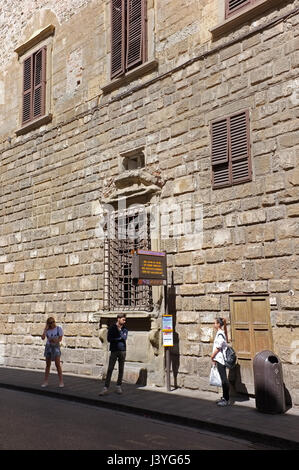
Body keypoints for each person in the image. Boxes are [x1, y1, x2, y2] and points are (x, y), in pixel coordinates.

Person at [99, 314, 128, 396]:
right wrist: (119, 338)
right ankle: (106, 387)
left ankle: (118, 386)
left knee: (121, 369)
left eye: (125, 320)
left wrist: (118, 337)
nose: (124, 321)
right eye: (123, 319)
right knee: (110, 369)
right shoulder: (112, 328)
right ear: (118, 319)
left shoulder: (125, 329)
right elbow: (109, 339)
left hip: (122, 350)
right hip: (114, 351)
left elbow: (124, 338)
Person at [211, 317, 230, 406]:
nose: (214, 324)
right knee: (223, 379)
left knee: (224, 380)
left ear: (218, 324)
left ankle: (226, 399)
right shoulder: (221, 333)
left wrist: (212, 356)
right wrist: (225, 324)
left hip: (220, 359)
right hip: (219, 359)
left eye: (215, 323)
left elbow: (218, 347)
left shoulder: (220, 334)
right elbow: (226, 335)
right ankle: (224, 397)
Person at [41, 317, 64, 388]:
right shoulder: (47, 330)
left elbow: (60, 338)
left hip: (56, 347)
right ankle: (45, 381)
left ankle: (61, 381)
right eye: (50, 323)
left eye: (53, 322)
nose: (53, 323)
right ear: (48, 324)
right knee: (48, 365)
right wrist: (45, 329)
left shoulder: (58, 329)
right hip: (48, 347)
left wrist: (55, 340)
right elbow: (43, 338)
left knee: (57, 364)